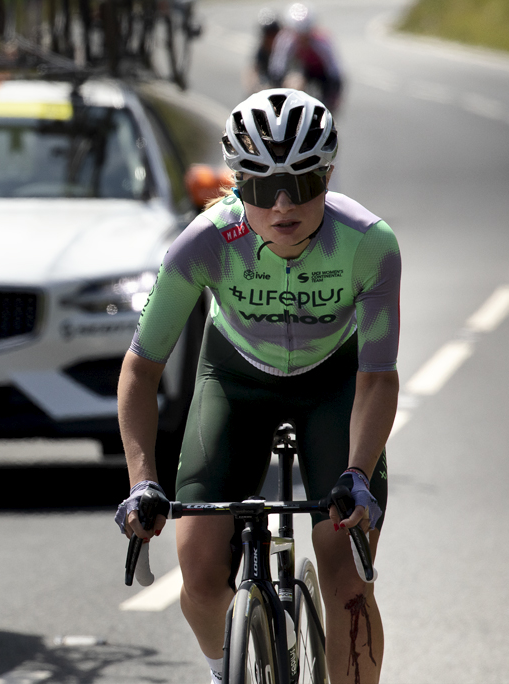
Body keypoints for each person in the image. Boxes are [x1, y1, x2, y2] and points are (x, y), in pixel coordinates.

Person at [115, 88, 400, 684]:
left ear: (328, 174)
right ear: (234, 181)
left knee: (346, 576)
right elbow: (141, 370)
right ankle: (228, 669)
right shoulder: (201, 244)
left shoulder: (369, 245)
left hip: (335, 386)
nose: (280, 205)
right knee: (197, 565)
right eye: (257, 186)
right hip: (235, 379)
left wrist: (356, 472)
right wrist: (143, 481)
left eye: (301, 184)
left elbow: (376, 377)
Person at [268, 2, 344, 112]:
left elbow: (334, 70)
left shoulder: (322, 42)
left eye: (306, 34)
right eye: (299, 34)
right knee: (295, 83)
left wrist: (334, 97)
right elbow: (277, 68)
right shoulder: (286, 40)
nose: (303, 39)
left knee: (328, 108)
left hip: (322, 74)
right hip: (301, 71)